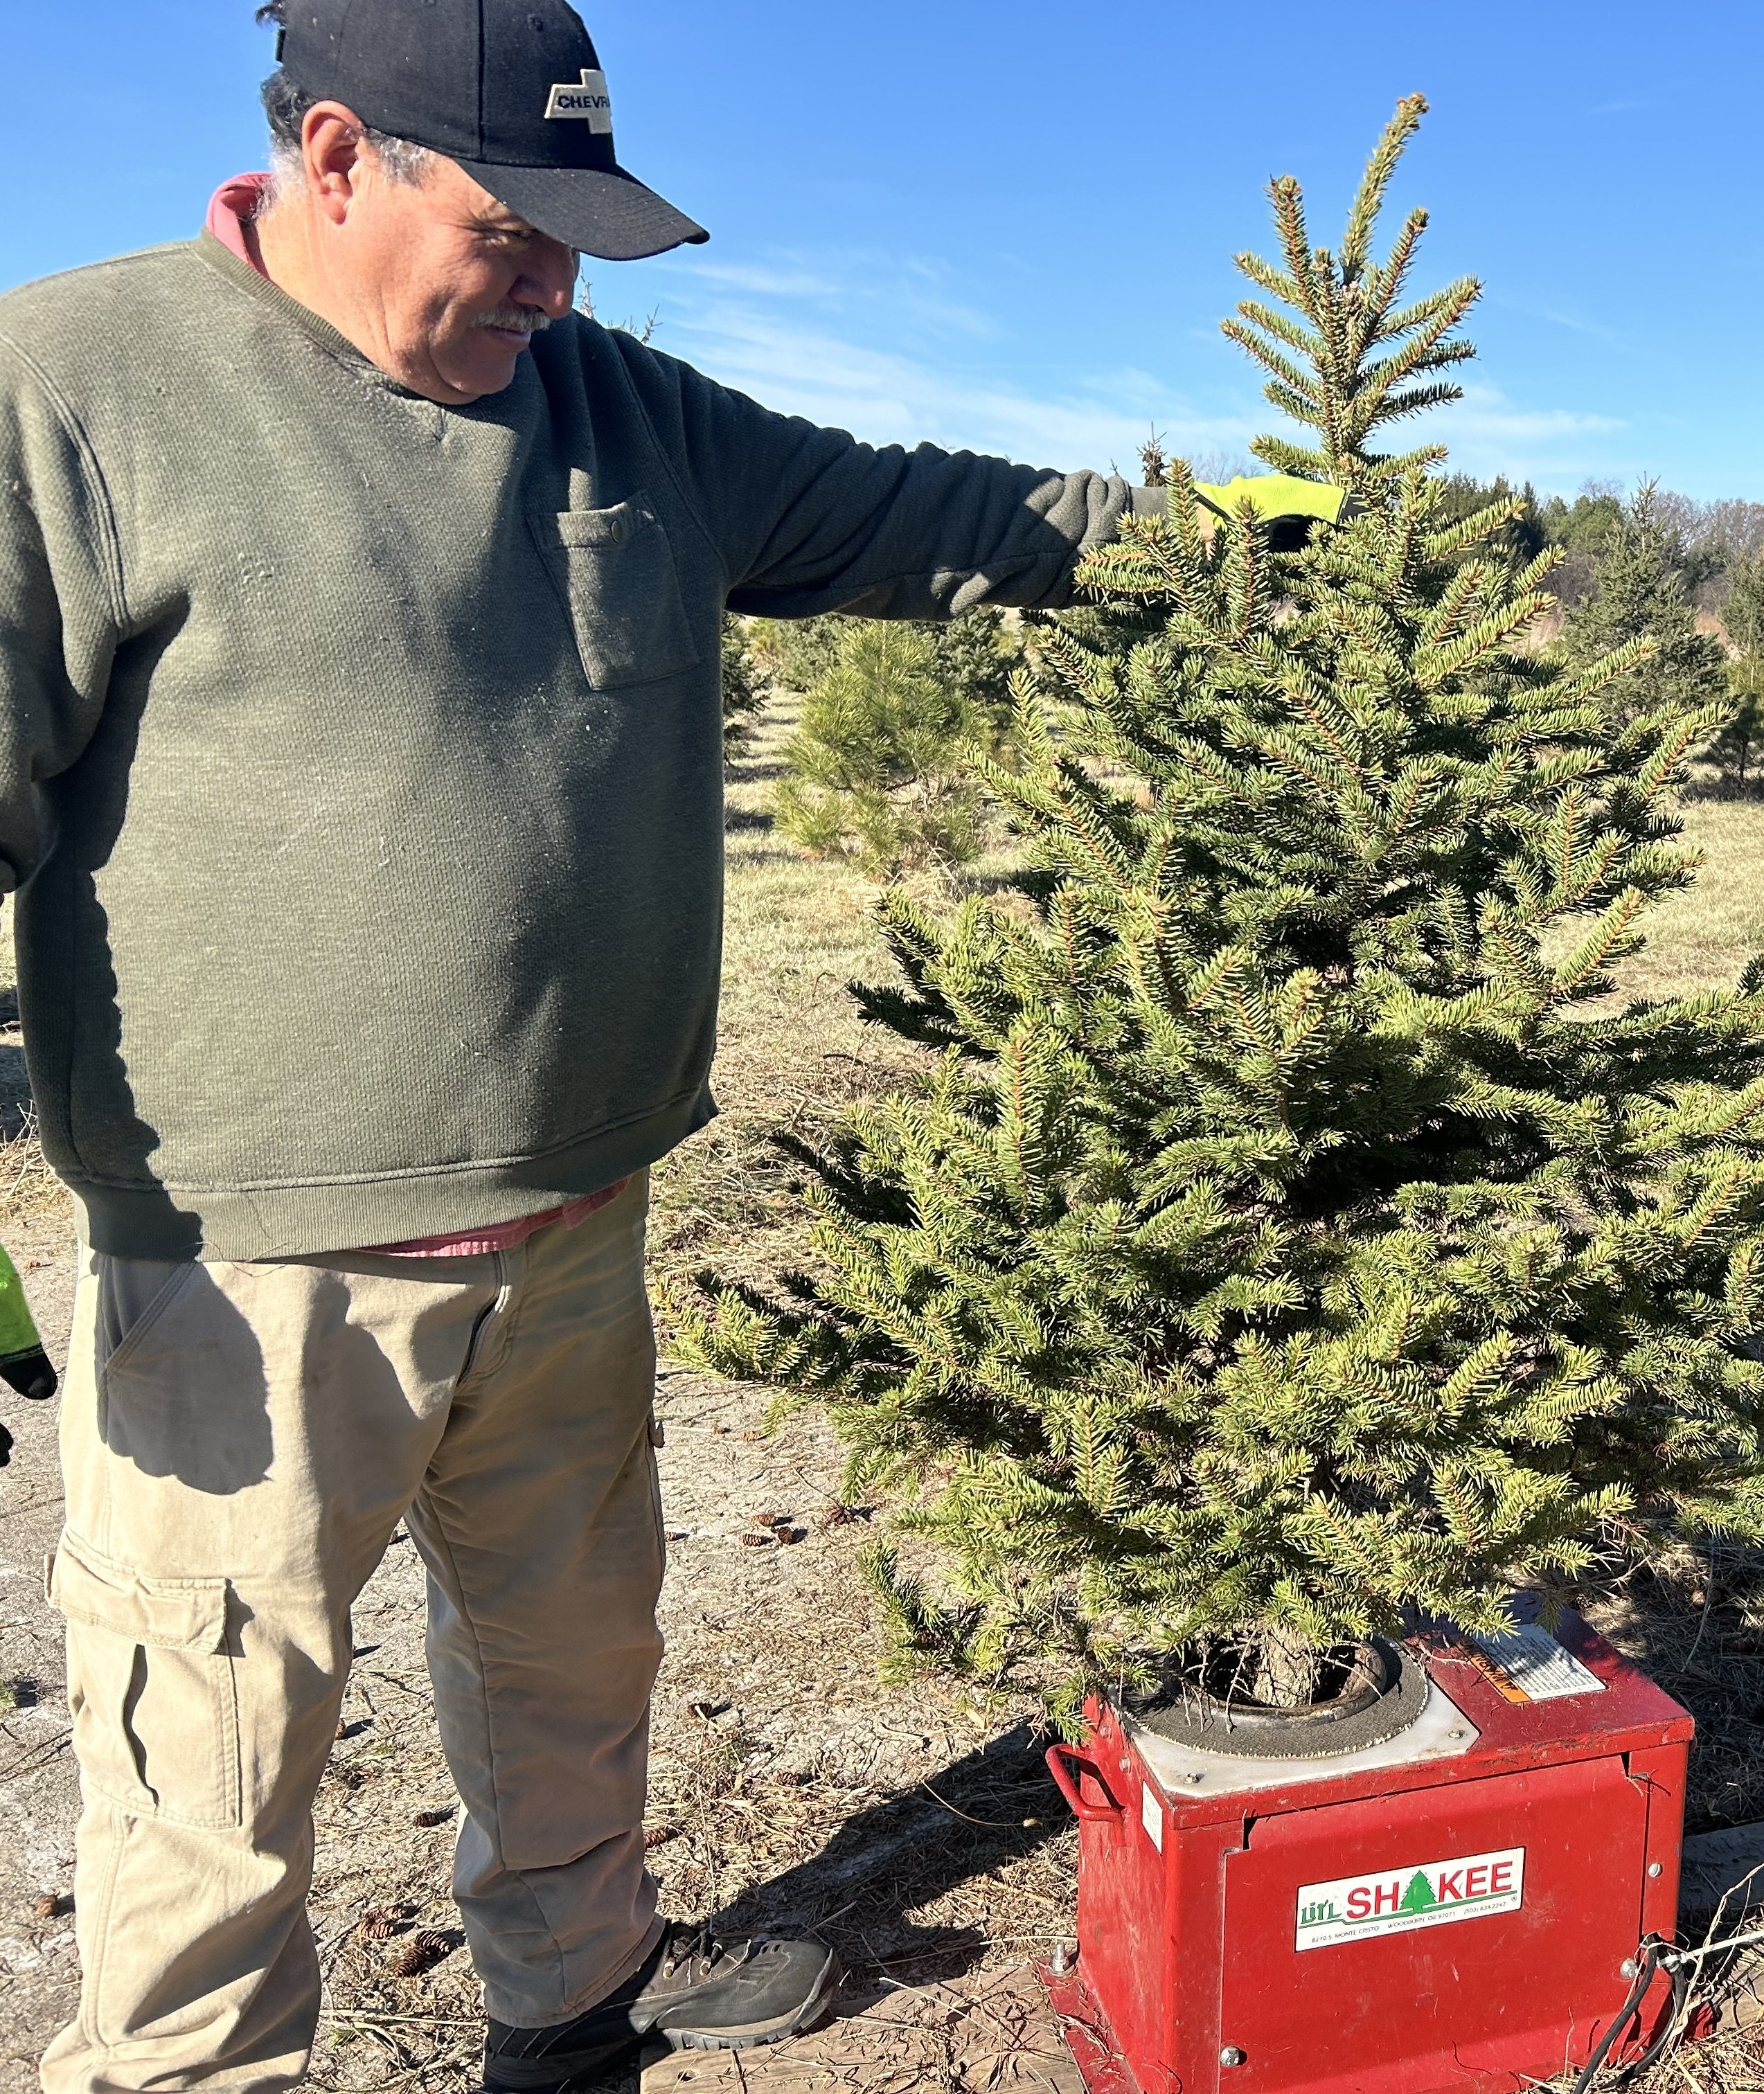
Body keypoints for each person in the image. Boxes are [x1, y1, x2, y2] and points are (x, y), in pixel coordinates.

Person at [0, 4, 1327, 2088]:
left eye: (579, 238)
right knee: (211, 1750)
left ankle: (577, 2005)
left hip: (575, 1218)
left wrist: (1276, 536)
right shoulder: (74, 383)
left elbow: (934, 516)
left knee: (573, 1666)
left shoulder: (618, 411)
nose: (554, 279)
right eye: (515, 224)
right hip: (243, 1266)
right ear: (336, 158)